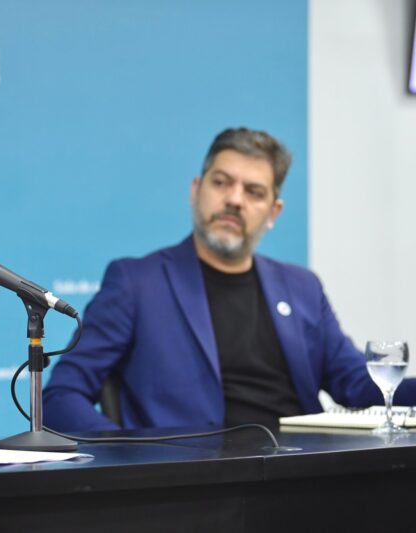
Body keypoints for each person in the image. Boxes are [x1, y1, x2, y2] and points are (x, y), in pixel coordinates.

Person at [43, 127, 416, 432]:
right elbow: (62, 395)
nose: (235, 200)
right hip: (197, 485)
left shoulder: (302, 287)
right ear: (196, 190)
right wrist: (130, 455)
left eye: (254, 192)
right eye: (222, 183)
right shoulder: (137, 282)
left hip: (304, 473)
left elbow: (355, 383)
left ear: (273, 212)